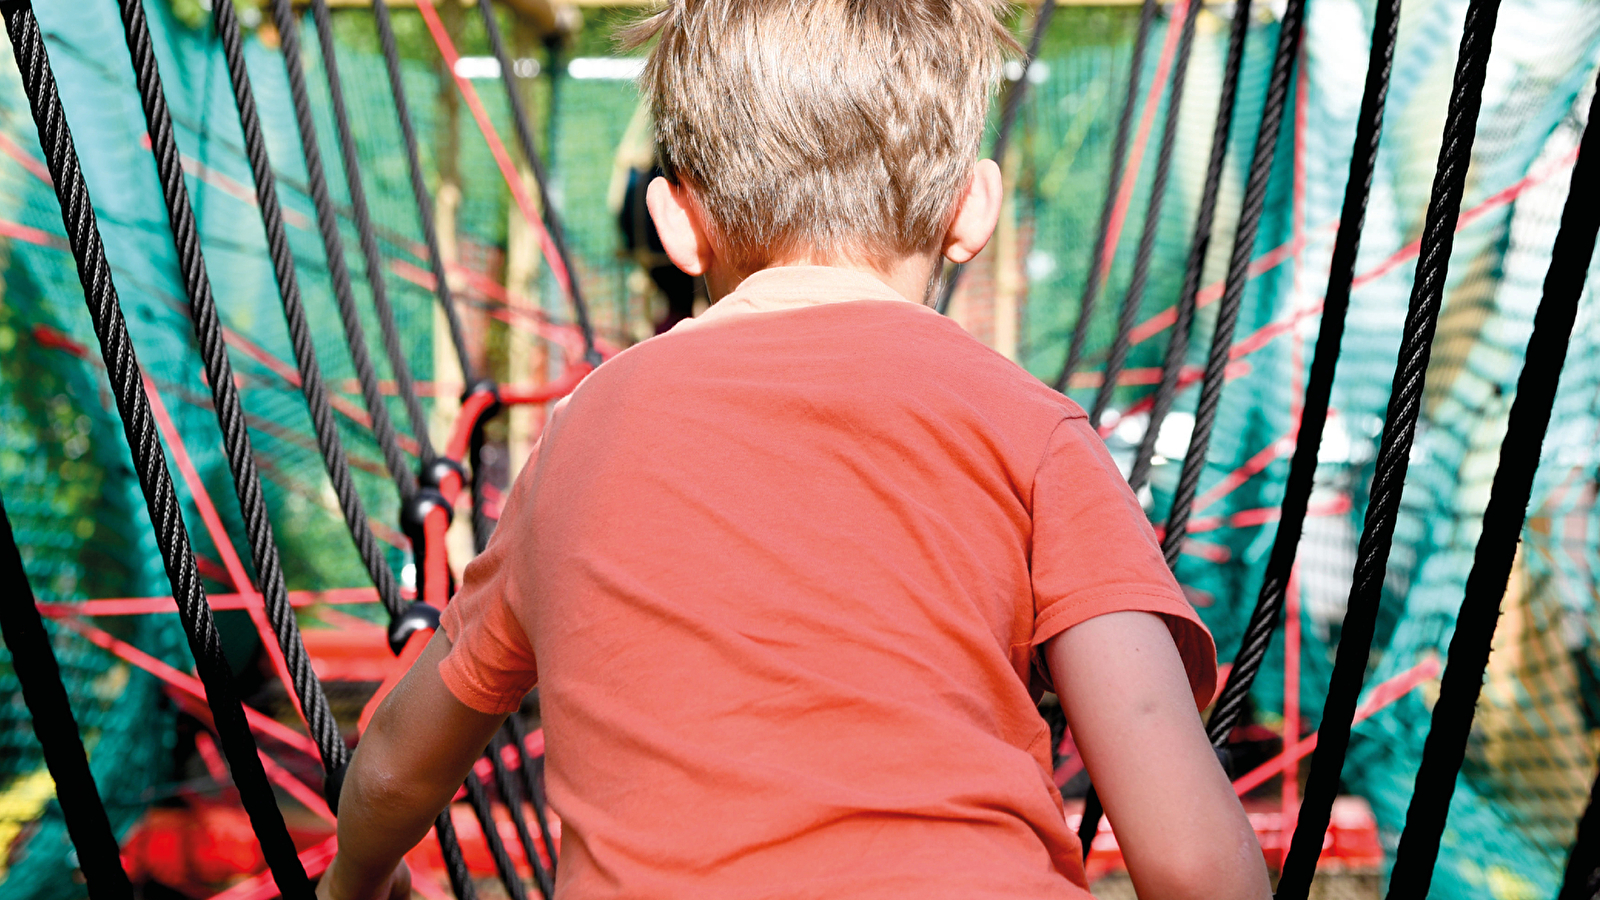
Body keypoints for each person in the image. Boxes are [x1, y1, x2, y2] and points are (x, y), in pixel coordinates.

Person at [317, 2, 1272, 898]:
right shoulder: (1034, 429)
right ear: (973, 209)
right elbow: (1190, 859)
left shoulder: (584, 431)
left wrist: (354, 881)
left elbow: (396, 766)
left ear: (674, 223)